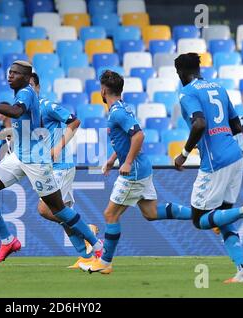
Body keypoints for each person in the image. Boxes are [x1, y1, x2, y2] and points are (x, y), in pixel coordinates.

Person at [0, 61, 103, 265]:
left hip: (36, 159)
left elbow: (16, 113)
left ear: (27, 79)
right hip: (19, 156)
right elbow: (25, 127)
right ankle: (8, 240)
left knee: (57, 209)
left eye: (16, 74)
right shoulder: (22, 95)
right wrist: (1, 134)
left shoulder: (26, 93)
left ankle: (96, 246)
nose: (10, 76)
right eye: (9, 73)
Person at [79, 70, 193, 275]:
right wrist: (113, 159)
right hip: (143, 168)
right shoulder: (122, 108)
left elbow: (138, 136)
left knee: (110, 214)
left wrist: (128, 162)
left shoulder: (118, 112)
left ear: (103, 90)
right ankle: (198, 214)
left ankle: (104, 263)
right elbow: (126, 138)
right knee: (151, 213)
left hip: (134, 172)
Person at [173, 53, 243, 283]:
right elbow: (236, 125)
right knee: (221, 219)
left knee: (199, 219)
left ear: (181, 73)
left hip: (215, 163)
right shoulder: (218, 87)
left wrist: (184, 154)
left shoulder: (187, 92)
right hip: (235, 157)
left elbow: (199, 123)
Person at [29, 73, 100, 269]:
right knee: (63, 214)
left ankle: (87, 230)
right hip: (47, 167)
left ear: (37, 87)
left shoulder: (47, 106)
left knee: (45, 209)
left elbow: (74, 122)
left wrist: (58, 147)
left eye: (30, 85)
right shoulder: (26, 112)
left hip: (61, 165)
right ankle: (86, 257)